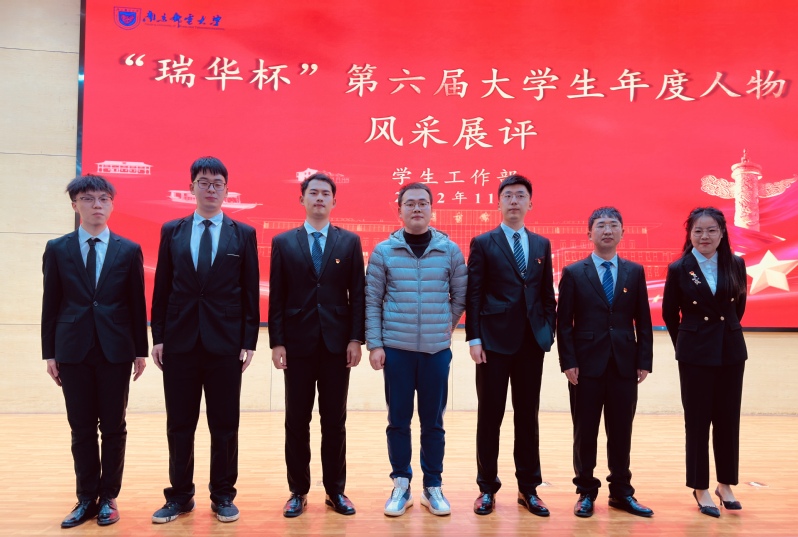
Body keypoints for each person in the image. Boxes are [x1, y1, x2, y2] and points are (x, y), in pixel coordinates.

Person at [150, 156, 260, 524]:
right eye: (204, 182)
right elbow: (162, 287)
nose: (210, 188)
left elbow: (249, 291)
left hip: (225, 344)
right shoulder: (173, 230)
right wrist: (159, 336)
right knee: (180, 424)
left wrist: (248, 341)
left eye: (217, 183)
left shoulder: (242, 233)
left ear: (226, 190)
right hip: (179, 342)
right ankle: (180, 496)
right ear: (192, 187)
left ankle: (223, 495)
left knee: (225, 424)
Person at [41, 175, 148, 528]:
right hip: (72, 350)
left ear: (112, 204)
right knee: (81, 427)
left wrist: (140, 350)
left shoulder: (128, 249)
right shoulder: (58, 248)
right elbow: (51, 302)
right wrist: (49, 352)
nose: (97, 205)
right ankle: (86, 498)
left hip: (115, 350)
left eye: (103, 198)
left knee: (114, 427)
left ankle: (108, 497)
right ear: (75, 205)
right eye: (88, 199)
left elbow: (136, 304)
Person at [366, 182, 467, 517]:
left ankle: (432, 486)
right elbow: (372, 301)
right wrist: (376, 344)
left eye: (423, 203)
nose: (417, 208)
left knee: (433, 422)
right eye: (410, 203)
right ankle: (401, 484)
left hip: (436, 353)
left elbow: (460, 296)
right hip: (397, 350)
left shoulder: (449, 250)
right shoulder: (383, 252)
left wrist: (443, 326)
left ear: (431, 209)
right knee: (398, 420)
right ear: (399, 210)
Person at [269, 173, 365, 518]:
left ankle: (335, 491)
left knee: (334, 420)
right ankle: (298, 491)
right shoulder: (283, 242)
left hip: (337, 346)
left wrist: (355, 338)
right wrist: (277, 342)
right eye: (314, 193)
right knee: (296, 420)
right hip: (296, 345)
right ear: (302, 199)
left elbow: (358, 294)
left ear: (334, 201)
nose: (320, 198)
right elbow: (277, 296)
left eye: (326, 193)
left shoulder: (349, 242)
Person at [465, 174, 556, 516]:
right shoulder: (483, 243)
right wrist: (474, 337)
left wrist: (548, 331)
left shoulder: (542, 244)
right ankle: (487, 488)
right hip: (492, 343)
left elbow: (545, 293)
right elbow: (474, 294)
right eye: (508, 196)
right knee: (490, 416)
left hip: (531, 342)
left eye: (520, 196)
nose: (514, 201)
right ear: (499, 203)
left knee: (527, 416)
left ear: (530, 203)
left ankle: (528, 489)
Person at [556, 207, 654, 518]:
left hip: (624, 364)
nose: (607, 230)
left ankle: (621, 492)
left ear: (623, 232)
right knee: (585, 431)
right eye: (600, 225)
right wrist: (568, 361)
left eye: (613, 225)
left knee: (621, 431)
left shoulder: (634, 272)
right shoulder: (574, 272)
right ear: (589, 233)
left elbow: (643, 320)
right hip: (585, 366)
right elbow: (564, 323)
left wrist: (644, 360)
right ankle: (586, 491)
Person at [662, 207, 748, 518]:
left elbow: (738, 307)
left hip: (730, 350)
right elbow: (669, 314)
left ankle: (725, 484)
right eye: (698, 231)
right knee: (697, 421)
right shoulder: (679, 268)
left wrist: (723, 333)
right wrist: (687, 343)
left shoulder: (735, 264)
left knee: (728, 419)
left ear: (722, 233)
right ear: (690, 234)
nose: (704, 236)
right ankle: (700, 488)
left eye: (711, 230)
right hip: (695, 353)